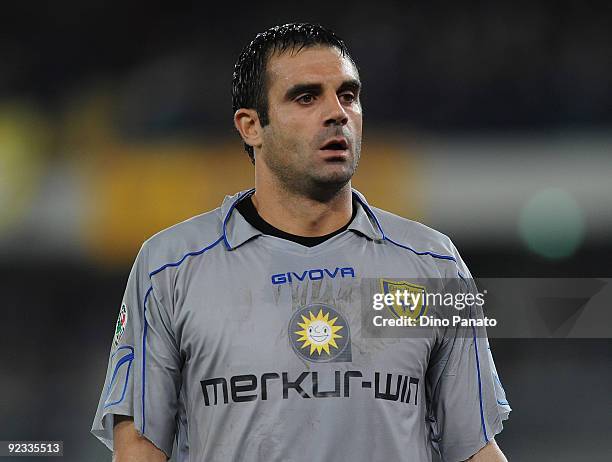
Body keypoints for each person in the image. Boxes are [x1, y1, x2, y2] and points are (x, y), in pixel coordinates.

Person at [92, 23, 511, 461]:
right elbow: (139, 444)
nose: (337, 113)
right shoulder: (169, 267)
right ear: (251, 126)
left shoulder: (433, 264)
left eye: (348, 95)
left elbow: (475, 447)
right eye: (307, 97)